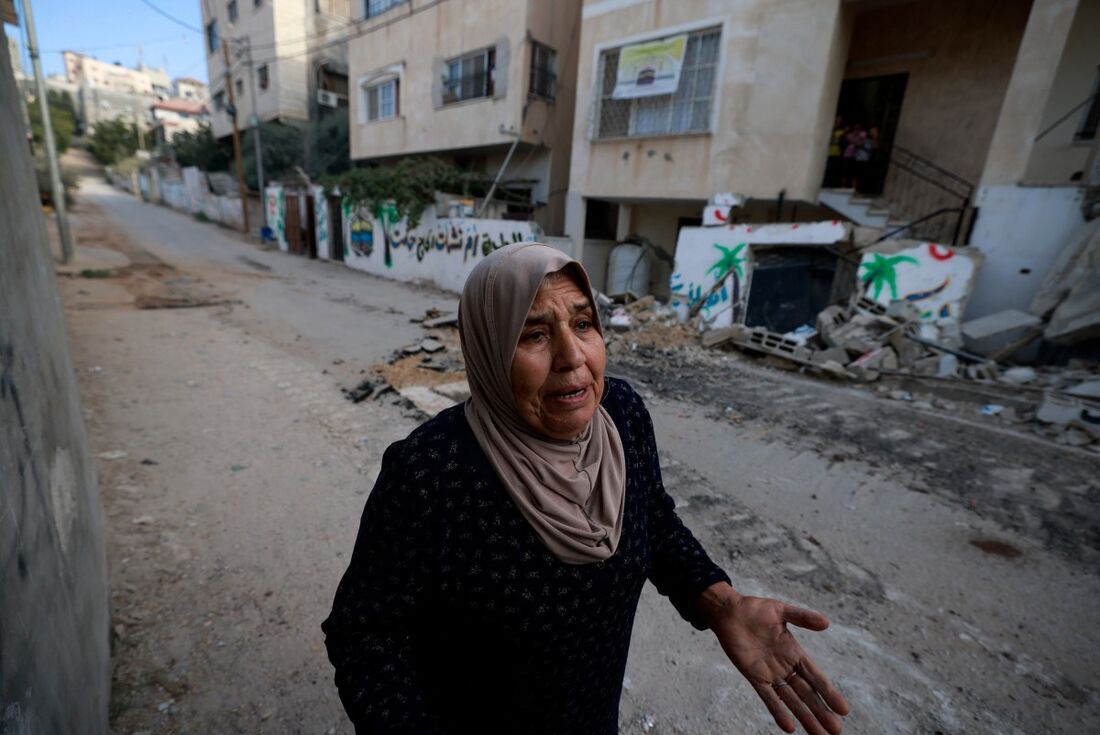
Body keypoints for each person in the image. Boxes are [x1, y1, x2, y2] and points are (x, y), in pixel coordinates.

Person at [322, 243, 850, 735]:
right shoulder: (430, 470)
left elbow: (653, 518)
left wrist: (721, 602)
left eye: (583, 324)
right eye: (534, 334)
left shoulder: (622, 414)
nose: (573, 356)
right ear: (488, 349)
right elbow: (365, 636)